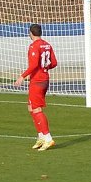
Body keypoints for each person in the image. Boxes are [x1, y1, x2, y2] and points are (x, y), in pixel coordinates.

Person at [13, 23, 58, 152]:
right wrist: (44, 67)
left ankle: (48, 138)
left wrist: (22, 76)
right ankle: (41, 137)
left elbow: (33, 65)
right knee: (31, 107)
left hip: (37, 81)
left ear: (31, 33)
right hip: (44, 79)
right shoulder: (47, 45)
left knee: (36, 109)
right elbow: (54, 63)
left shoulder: (34, 46)